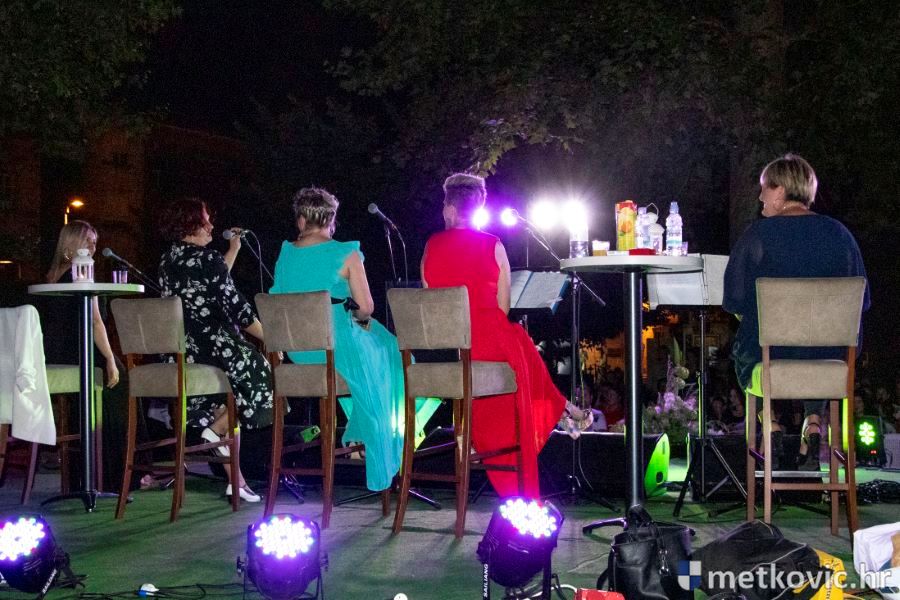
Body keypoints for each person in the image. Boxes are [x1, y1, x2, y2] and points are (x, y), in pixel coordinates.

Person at [269, 187, 440, 492]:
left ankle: (365, 435)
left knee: (379, 356)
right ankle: (380, 440)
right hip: (338, 348)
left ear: (301, 220)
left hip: (300, 352)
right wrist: (356, 316)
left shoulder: (285, 254)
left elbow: (277, 301)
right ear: (331, 221)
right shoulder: (346, 252)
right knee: (395, 355)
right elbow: (366, 307)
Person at [421, 173, 567, 497]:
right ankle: (559, 410)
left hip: (449, 354)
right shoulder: (493, 245)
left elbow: (430, 304)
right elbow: (503, 308)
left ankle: (478, 439)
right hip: (488, 347)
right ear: (478, 209)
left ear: (449, 209)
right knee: (517, 345)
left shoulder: (431, 246)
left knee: (515, 348)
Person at [723, 153, 870, 470]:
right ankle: (814, 420)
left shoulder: (758, 236)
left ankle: (769, 421)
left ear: (779, 191)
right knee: (817, 349)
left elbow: (734, 303)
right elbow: (861, 304)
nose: (760, 197)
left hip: (772, 357)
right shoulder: (841, 235)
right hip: (833, 362)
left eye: (764, 188)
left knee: (746, 348)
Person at [158, 198, 272, 502]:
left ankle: (236, 482)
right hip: (214, 348)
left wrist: (233, 251)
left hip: (183, 352)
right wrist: (273, 338)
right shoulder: (207, 259)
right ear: (190, 225)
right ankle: (216, 429)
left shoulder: (168, 260)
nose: (211, 226)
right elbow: (237, 308)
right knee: (265, 371)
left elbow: (212, 283)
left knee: (227, 404)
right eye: (205, 220)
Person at [36, 220, 124, 489]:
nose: (93, 248)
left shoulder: (52, 274)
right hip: (76, 352)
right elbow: (95, 322)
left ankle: (81, 472)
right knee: (120, 380)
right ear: (71, 243)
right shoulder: (82, 273)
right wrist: (110, 358)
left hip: (54, 354)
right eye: (87, 241)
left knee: (106, 382)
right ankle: (117, 474)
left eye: (95, 242)